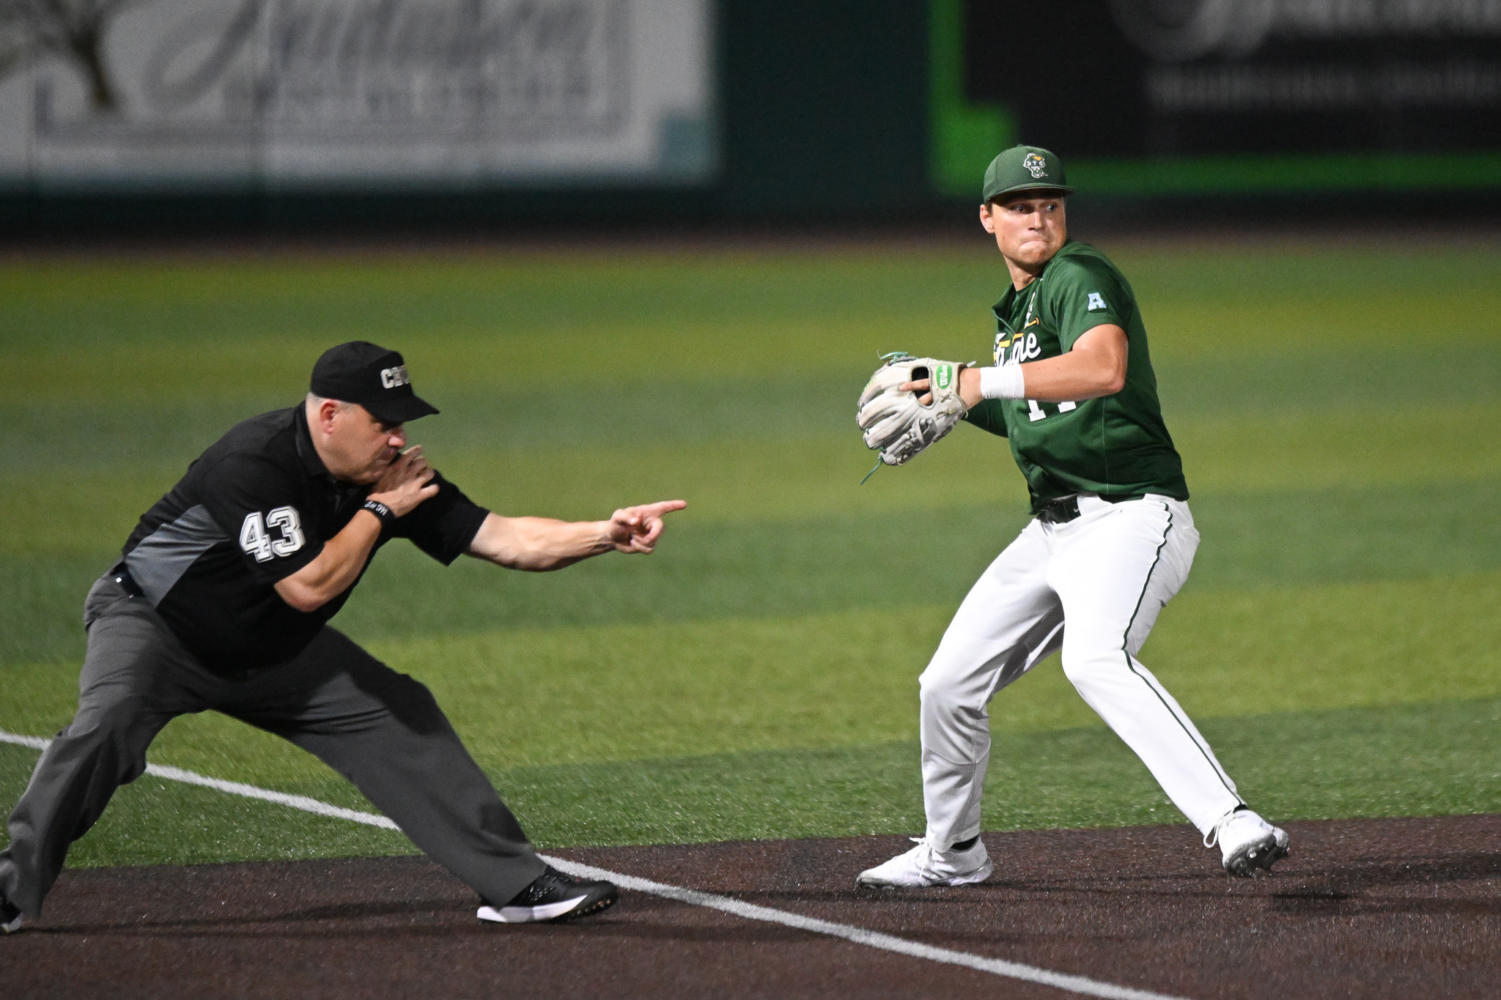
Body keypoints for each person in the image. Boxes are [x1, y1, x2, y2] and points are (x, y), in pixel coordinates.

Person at [0, 341, 686, 933]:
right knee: (106, 725)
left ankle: (516, 888)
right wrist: (381, 509)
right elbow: (308, 586)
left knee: (400, 715)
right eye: (383, 422)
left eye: (401, 422)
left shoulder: (386, 475)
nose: (397, 438)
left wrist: (604, 532)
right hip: (154, 629)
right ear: (329, 415)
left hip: (274, 649)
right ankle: (11, 886)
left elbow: (504, 539)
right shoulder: (255, 463)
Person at [855, 145, 1289, 889]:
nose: (1038, 217)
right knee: (946, 685)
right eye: (1020, 206)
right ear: (986, 218)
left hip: (1132, 518)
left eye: (1049, 203)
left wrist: (973, 381)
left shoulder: (1078, 275)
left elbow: (1100, 369)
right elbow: (1035, 407)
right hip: (1051, 531)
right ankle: (952, 853)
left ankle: (1231, 819)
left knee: (1094, 658)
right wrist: (952, 403)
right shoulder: (1018, 311)